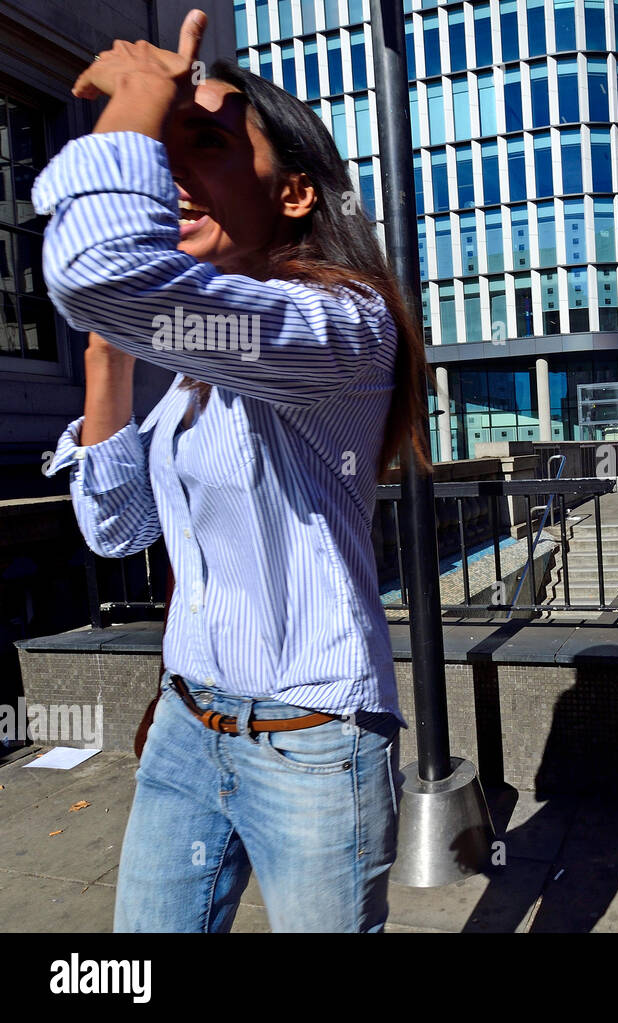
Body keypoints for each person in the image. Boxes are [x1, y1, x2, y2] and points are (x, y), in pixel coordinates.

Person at [36, 11, 431, 931]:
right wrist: (109, 358)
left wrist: (137, 98)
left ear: (293, 193)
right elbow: (118, 527)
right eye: (158, 142)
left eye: (203, 141)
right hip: (184, 725)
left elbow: (96, 264)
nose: (169, 170)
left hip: (309, 744)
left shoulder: (340, 327)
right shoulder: (196, 368)